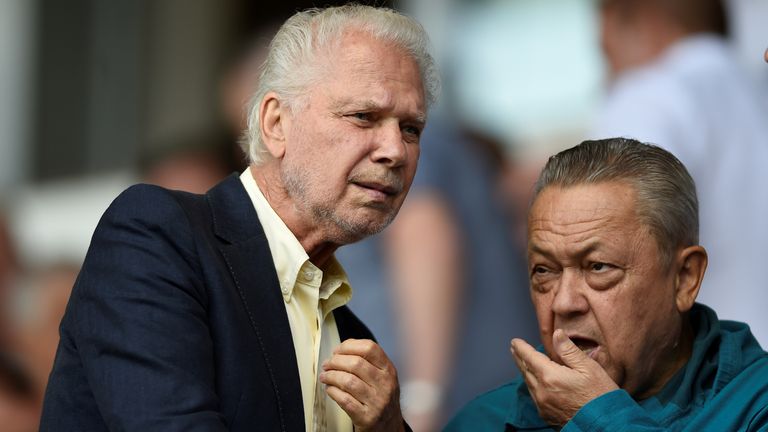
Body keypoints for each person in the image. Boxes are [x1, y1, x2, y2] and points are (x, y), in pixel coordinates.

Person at [40, 4, 438, 431]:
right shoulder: (156, 237)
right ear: (276, 122)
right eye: (364, 116)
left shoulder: (352, 335)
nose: (395, 151)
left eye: (411, 129)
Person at [446, 138, 768, 431]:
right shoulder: (484, 421)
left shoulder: (755, 404)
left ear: (685, 278)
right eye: (544, 270)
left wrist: (595, 416)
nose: (563, 303)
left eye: (598, 267)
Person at [337, 118, 538, 430]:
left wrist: (421, 401)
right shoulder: (431, 146)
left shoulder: (391, 146)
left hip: (454, 410)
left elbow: (422, 233)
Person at [591, 0, 768, 346]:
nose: (605, 68)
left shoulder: (651, 97)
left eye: (603, 46)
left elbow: (608, 249)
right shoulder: (755, 89)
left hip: (712, 380)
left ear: (641, 21)